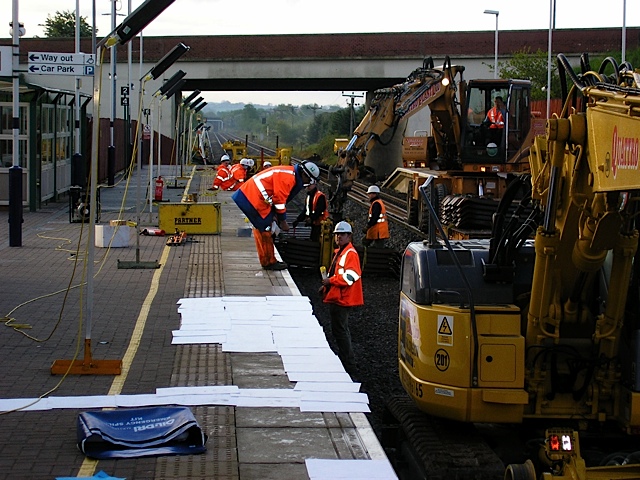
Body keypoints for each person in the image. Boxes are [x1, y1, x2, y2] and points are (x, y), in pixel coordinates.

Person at [232, 161, 321, 270]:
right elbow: (279, 201)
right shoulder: (288, 178)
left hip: (253, 196)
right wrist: (283, 221)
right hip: (253, 198)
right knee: (265, 229)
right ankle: (269, 262)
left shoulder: (290, 174)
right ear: (305, 175)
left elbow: (277, 198)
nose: (308, 184)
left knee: (263, 228)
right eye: (309, 180)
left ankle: (268, 260)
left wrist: (274, 215)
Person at [320, 221, 364, 375]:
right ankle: (346, 360)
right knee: (340, 330)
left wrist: (330, 281)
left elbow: (351, 276)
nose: (338, 237)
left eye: (342, 234)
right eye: (337, 234)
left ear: (349, 236)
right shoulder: (341, 252)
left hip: (343, 298)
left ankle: (349, 364)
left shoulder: (349, 254)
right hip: (340, 297)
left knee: (341, 331)